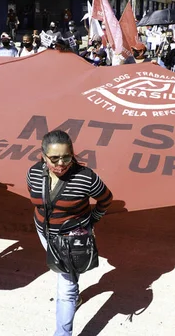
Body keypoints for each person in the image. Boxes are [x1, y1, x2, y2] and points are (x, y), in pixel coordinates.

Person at [27, 130, 112, 336]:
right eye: (54, 158)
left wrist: (91, 221)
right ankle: (75, 297)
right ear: (43, 156)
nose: (61, 163)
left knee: (66, 286)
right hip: (44, 233)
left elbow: (106, 199)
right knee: (64, 274)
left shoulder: (86, 177)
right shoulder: (33, 173)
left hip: (72, 239)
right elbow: (38, 202)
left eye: (66, 157)